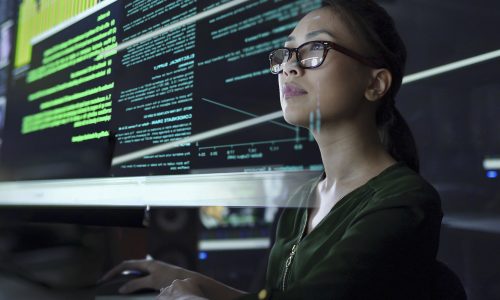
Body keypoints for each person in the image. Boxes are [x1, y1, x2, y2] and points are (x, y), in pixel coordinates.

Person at [101, 0, 443, 299]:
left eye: (314, 50)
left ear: (375, 83)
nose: (289, 67)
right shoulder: (305, 197)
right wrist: (188, 281)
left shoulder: (405, 201)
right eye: (286, 53)